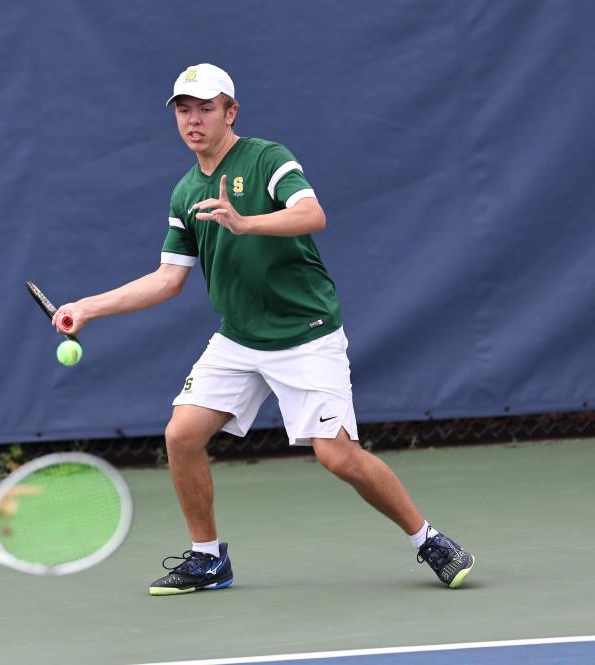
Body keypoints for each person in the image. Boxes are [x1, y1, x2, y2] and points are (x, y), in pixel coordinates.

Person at [51, 63, 474, 595]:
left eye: (206, 108)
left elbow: (312, 214)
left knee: (337, 455)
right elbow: (166, 280)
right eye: (184, 110)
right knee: (181, 436)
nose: (193, 120)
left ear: (231, 112)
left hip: (306, 332)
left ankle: (428, 540)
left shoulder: (267, 158)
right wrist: (87, 307)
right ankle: (208, 560)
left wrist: (246, 222)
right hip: (239, 338)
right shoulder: (185, 192)